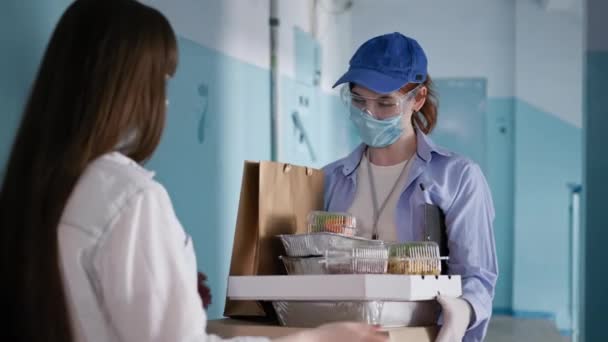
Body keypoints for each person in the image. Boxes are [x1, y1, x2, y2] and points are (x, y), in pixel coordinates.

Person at [0, 1, 387, 342]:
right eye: (162, 82)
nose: (166, 101)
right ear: (128, 89)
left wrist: (176, 289)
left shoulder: (41, 192)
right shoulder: (129, 196)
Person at [324, 32, 498, 342]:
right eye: (359, 100)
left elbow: (478, 278)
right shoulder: (330, 179)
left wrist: (461, 313)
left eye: (385, 103)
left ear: (417, 99)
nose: (369, 113)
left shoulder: (457, 177)